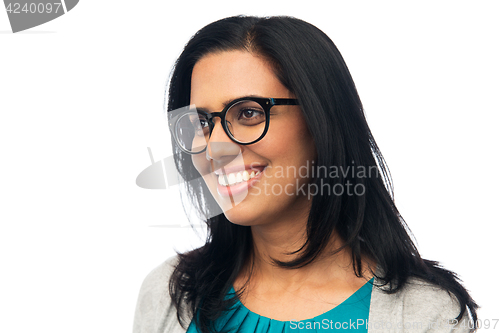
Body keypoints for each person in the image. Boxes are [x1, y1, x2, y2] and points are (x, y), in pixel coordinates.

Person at [133, 15, 478, 333]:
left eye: (249, 113)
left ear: (320, 121)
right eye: (202, 123)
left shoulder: (426, 317)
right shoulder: (167, 292)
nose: (214, 148)